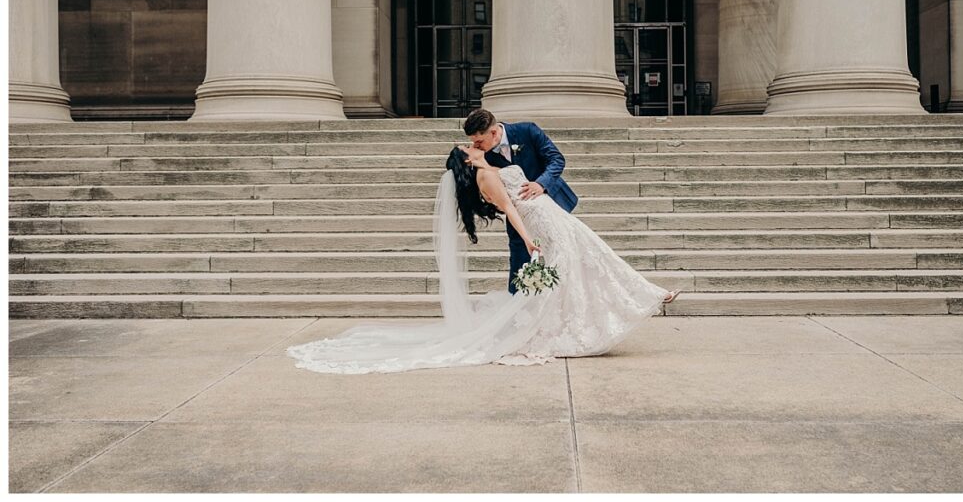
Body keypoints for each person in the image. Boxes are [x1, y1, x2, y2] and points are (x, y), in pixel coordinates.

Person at [285, 130, 682, 374]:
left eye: (474, 140)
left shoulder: (490, 165)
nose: (472, 145)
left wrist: (539, 193)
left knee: (594, 255)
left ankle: (644, 294)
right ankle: (647, 295)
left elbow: (543, 168)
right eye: (468, 146)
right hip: (541, 222)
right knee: (591, 257)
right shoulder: (485, 175)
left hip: (551, 212)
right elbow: (510, 209)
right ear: (466, 158)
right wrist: (529, 240)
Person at [462, 108, 578, 294]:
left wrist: (541, 184)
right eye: (473, 143)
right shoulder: (483, 156)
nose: (476, 146)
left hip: (551, 206)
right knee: (519, 265)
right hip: (520, 215)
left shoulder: (527, 130)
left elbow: (556, 159)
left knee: (562, 261)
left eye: (479, 141)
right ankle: (518, 314)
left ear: (493, 132)